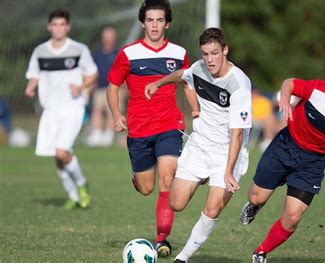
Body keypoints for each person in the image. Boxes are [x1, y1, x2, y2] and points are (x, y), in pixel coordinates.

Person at [145, 27, 252, 263]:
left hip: (226, 154)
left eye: (214, 53)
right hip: (200, 146)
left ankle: (182, 258)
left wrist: (227, 171)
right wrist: (159, 83)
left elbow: (236, 135)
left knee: (212, 209)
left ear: (225, 50)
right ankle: (202, 177)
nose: (210, 59)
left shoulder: (239, 85)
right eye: (205, 53)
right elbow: (182, 74)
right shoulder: (199, 68)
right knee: (176, 203)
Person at [239, 77, 325, 263]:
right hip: (286, 145)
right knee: (257, 197)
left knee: (293, 216)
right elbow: (289, 82)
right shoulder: (318, 90)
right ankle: (255, 205)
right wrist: (284, 98)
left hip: (313, 163)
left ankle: (261, 252)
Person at [106, 0, 197, 257]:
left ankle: (162, 240)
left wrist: (196, 110)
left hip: (170, 124)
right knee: (147, 188)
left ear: (167, 23)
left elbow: (188, 84)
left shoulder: (179, 53)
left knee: (167, 177)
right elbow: (112, 86)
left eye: (159, 20)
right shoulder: (128, 53)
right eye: (150, 20)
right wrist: (116, 113)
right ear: (143, 23)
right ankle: (136, 178)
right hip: (139, 129)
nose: (154, 25)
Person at [24, 8, 97, 209]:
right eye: (54, 24)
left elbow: (93, 74)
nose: (58, 28)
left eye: (62, 24)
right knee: (57, 156)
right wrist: (30, 86)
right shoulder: (40, 51)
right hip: (50, 110)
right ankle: (73, 195)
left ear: (68, 27)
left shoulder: (79, 49)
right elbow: (34, 74)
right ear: (49, 27)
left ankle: (82, 184)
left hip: (73, 106)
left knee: (62, 152)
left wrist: (81, 86)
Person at [87, 26, 120, 147]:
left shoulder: (118, 54)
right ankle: (96, 133)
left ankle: (108, 134)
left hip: (115, 88)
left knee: (112, 110)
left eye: (110, 37)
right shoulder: (97, 54)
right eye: (106, 37)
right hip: (100, 88)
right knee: (97, 109)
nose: (108, 40)